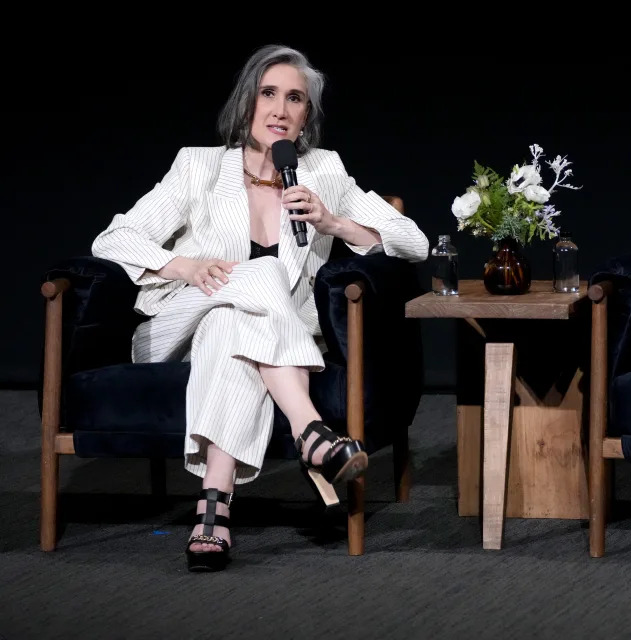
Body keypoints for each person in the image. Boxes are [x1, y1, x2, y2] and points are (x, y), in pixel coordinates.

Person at [91, 45, 429, 572]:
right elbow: (113, 239)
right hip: (182, 324)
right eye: (268, 93)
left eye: (294, 98)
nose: (279, 108)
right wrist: (184, 265)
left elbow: (413, 242)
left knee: (234, 324)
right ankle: (311, 430)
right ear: (247, 102)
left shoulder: (323, 172)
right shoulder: (197, 166)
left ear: (306, 117)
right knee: (256, 277)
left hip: (257, 338)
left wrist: (333, 222)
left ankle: (213, 513)